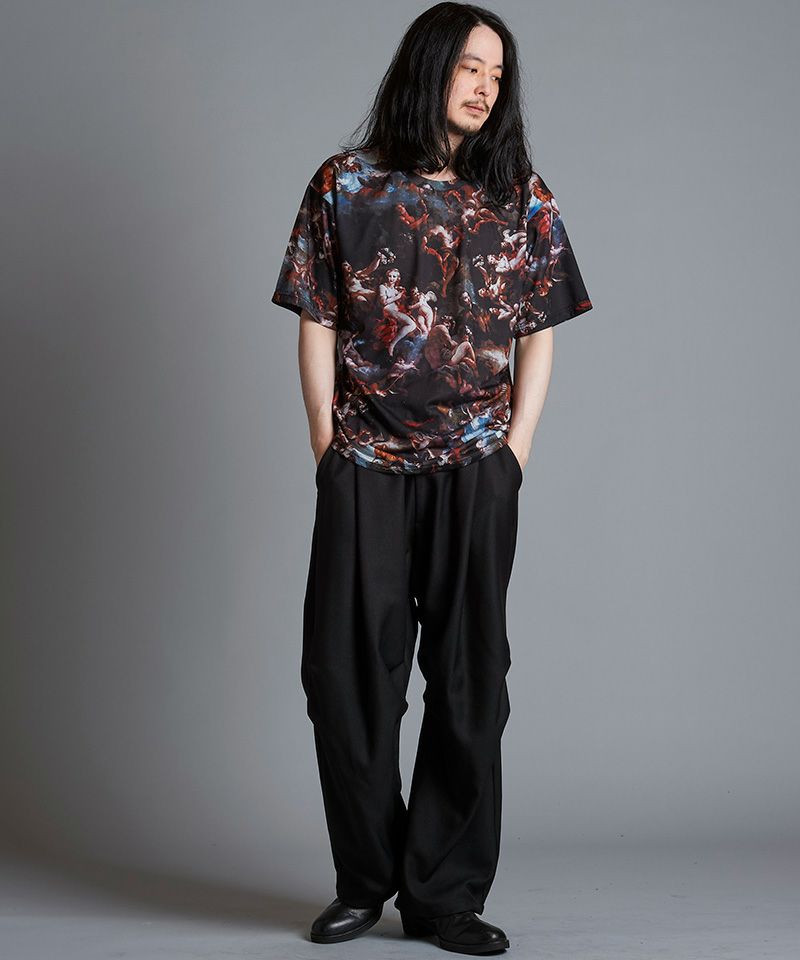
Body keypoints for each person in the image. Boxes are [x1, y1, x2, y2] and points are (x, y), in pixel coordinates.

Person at [271, 2, 593, 954]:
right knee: (344, 678)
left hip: (476, 465)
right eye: (468, 65)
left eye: (498, 71)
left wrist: (514, 454)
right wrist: (326, 445)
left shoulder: (517, 194)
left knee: (468, 680)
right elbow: (317, 316)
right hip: (363, 462)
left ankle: (444, 896)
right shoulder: (345, 183)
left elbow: (540, 330)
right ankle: (365, 880)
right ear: (427, 67)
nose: (485, 85)